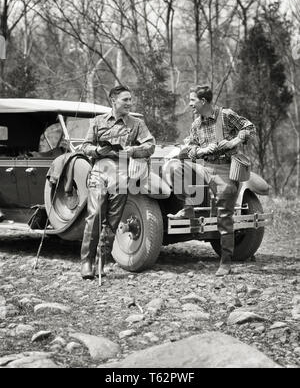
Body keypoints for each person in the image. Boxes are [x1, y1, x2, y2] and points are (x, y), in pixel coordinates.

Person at [168, 85, 256, 277]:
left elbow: (249, 127)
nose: (190, 104)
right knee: (176, 167)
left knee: (225, 216)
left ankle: (225, 261)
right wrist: (201, 151)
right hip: (204, 167)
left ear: (203, 101)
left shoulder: (226, 115)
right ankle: (188, 209)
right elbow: (189, 149)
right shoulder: (195, 124)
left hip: (225, 169)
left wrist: (234, 142)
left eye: (192, 100)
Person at [80, 85, 155, 279]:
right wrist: (97, 151)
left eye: (130, 99)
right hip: (99, 171)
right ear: (113, 101)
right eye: (125, 100)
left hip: (122, 174)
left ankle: (101, 262)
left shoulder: (136, 124)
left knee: (113, 221)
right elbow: (85, 146)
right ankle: (86, 262)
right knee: (94, 216)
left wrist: (133, 151)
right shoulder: (97, 122)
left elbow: (150, 145)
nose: (130, 103)